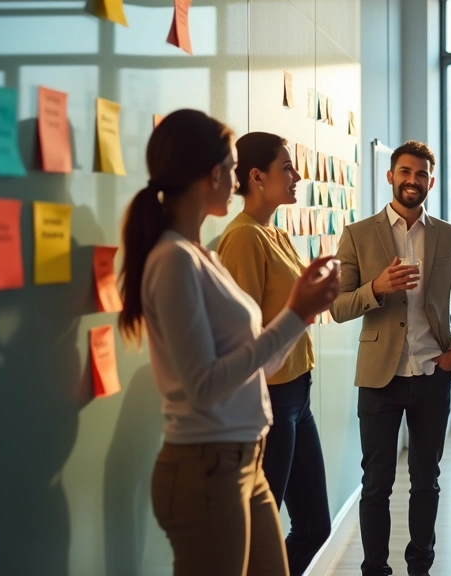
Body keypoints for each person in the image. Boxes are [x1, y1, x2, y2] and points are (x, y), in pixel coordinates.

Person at [121, 109, 339, 576]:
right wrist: (298, 312)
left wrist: (304, 310)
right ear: (210, 174)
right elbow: (204, 383)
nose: (236, 176)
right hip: (206, 464)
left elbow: (256, 350)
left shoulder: (199, 254)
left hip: (241, 455)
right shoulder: (175, 260)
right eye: (230, 163)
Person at [330, 140, 451, 576]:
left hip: (433, 372)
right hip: (379, 376)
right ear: (390, 175)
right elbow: (338, 307)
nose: (412, 181)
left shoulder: (450, 235)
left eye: (421, 175)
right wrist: (377, 287)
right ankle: (374, 569)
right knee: (376, 484)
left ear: (431, 182)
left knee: (426, 481)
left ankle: (421, 568)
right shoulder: (358, 233)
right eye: (405, 172)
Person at [217, 131, 331, 576]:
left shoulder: (275, 233)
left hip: (297, 397)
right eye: (287, 167)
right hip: (270, 401)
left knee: (313, 527)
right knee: (259, 537)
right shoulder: (243, 238)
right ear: (256, 176)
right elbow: (242, 337)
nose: (297, 174)